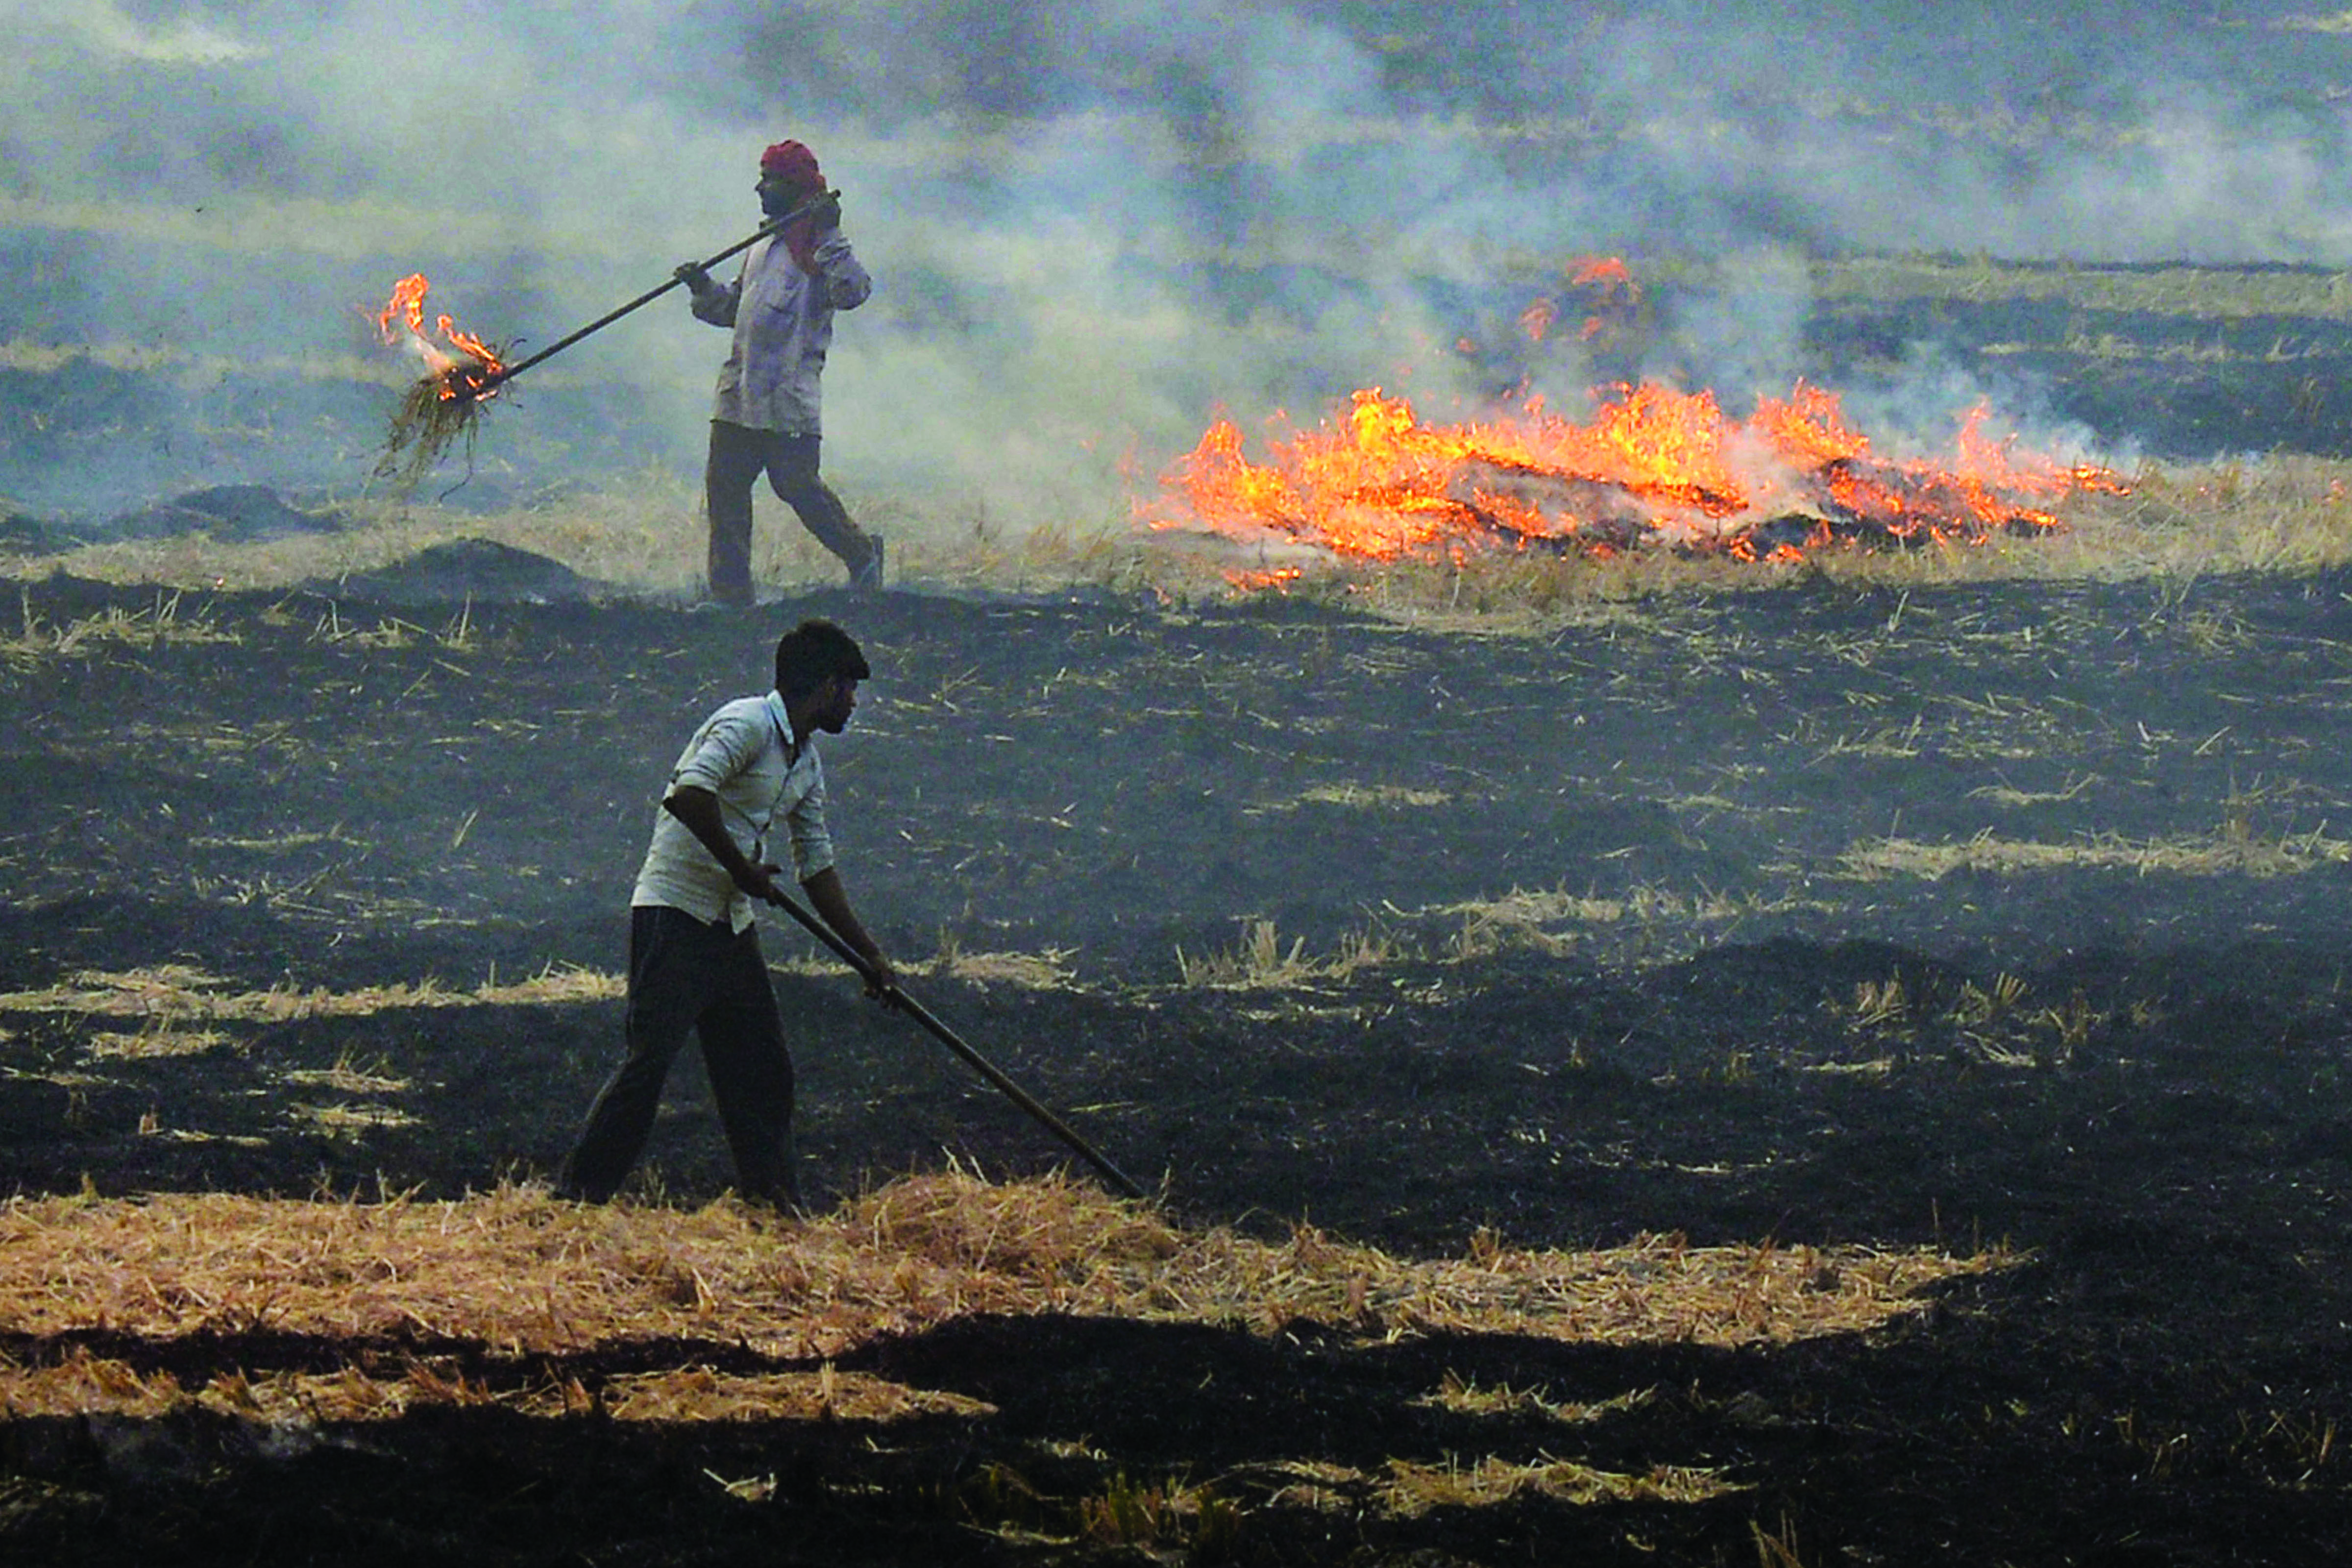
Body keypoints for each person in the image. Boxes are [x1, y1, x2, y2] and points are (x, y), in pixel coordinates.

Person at [558, 618, 897, 1211]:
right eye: (849, 688)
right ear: (823, 687)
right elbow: (688, 793)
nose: (853, 702)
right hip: (676, 911)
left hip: (731, 927)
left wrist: (868, 956)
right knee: (649, 1065)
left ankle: (774, 1207)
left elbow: (816, 867)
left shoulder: (806, 762)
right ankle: (574, 1202)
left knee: (762, 1070)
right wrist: (741, 868)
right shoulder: (746, 724)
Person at [676, 139, 882, 605]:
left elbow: (854, 292)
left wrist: (830, 235)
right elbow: (733, 311)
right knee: (725, 490)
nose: (760, 188)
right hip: (738, 391)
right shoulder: (763, 247)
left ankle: (863, 554)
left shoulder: (817, 250)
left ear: (796, 188)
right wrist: (701, 287)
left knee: (796, 487)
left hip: (786, 398)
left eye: (771, 180)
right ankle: (730, 594)